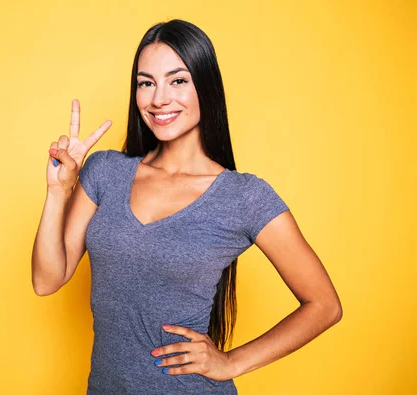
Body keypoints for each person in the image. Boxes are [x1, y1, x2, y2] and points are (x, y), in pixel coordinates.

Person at [31, 19, 342, 395]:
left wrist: (231, 362)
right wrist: (58, 191)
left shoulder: (243, 197)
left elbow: (324, 305)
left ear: (205, 88)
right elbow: (47, 280)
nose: (159, 98)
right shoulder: (105, 172)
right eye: (146, 83)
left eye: (178, 80)